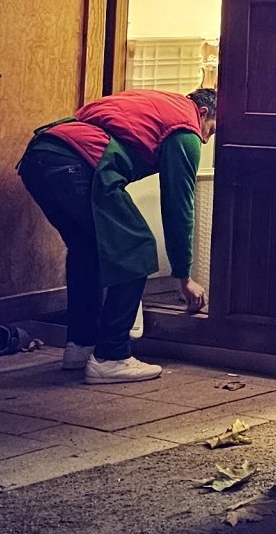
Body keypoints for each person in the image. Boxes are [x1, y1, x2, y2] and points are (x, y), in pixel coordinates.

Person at [17, 87, 213, 383]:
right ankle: (112, 356)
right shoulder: (186, 129)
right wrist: (184, 277)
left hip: (40, 155)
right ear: (203, 112)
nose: (206, 139)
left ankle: (80, 346)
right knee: (136, 248)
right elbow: (178, 205)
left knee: (86, 250)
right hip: (77, 164)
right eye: (211, 129)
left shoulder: (157, 102)